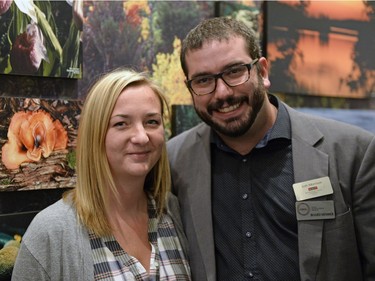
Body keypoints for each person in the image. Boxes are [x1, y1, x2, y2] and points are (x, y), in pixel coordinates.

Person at [167, 17, 375, 281]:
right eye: (203, 80)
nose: (221, 93)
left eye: (234, 71)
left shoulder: (352, 153)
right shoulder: (174, 162)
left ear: (262, 72)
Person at [12, 68, 191, 281]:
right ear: (95, 134)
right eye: (121, 124)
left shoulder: (173, 212)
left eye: (151, 121)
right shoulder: (52, 232)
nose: (142, 137)